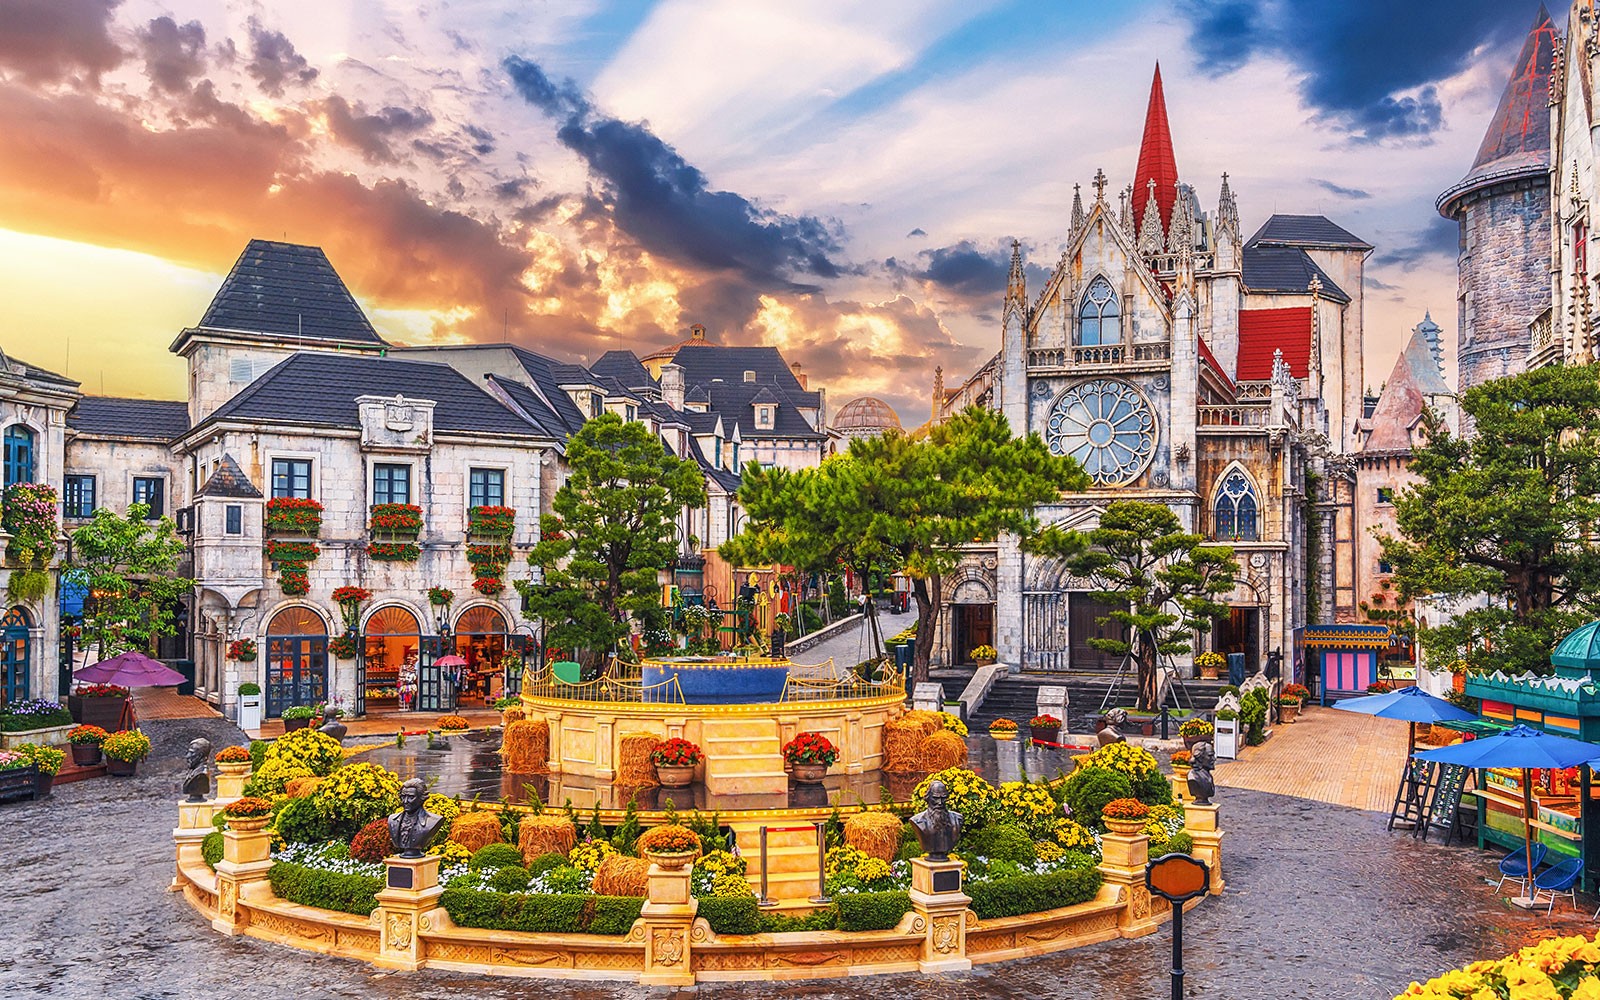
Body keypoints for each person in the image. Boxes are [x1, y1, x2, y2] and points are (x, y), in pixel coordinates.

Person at [387, 778, 445, 858]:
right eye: (403, 797)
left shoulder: (433, 821)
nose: (405, 801)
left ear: (421, 798)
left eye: (411, 797)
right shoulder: (392, 820)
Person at [909, 779, 964, 862]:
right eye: (936, 798)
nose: (940, 802)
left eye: (943, 798)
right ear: (928, 798)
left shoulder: (957, 819)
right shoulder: (917, 821)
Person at [181, 737, 213, 802]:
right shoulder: (194, 771)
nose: (187, 756)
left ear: (200, 755)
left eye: (191, 753)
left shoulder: (201, 775)